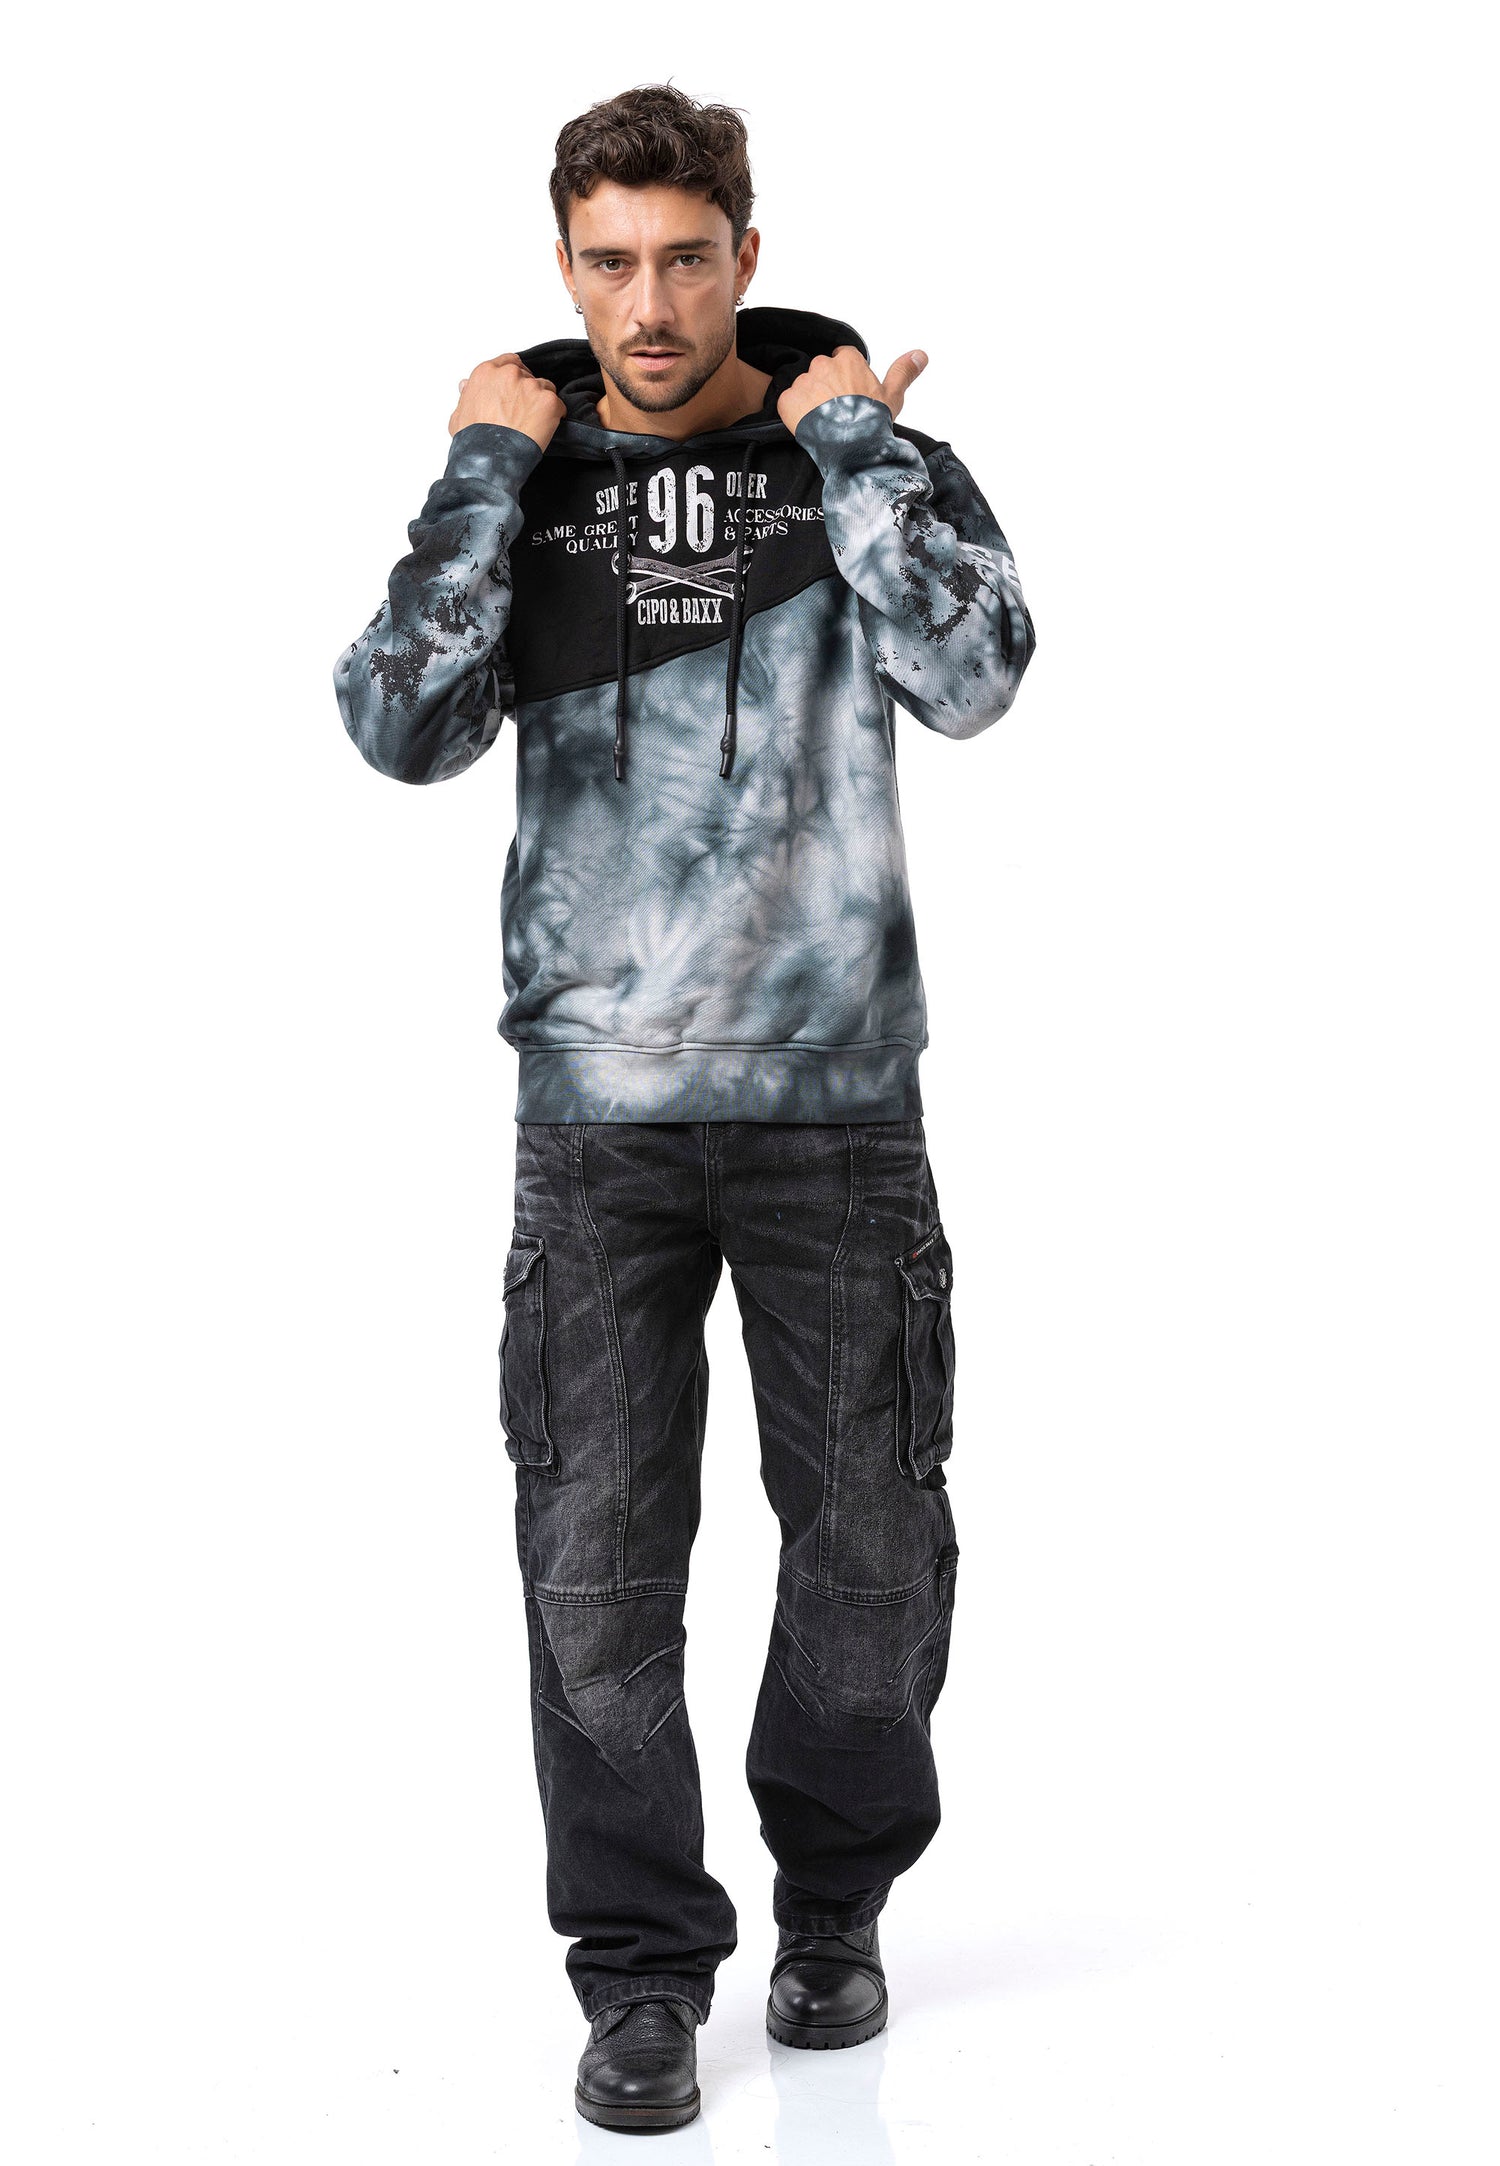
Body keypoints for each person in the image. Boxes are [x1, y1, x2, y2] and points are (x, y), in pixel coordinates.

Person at [334, 81, 1035, 2135]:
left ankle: (836, 1907)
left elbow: (980, 676)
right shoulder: (527, 479)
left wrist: (859, 449)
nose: (649, 305)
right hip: (598, 1122)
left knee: (875, 1559)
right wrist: (480, 466)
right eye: (610, 263)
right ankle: (641, 1969)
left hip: (837, 1106)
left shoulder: (854, 447)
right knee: (594, 1578)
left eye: (686, 258)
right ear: (565, 266)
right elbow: (397, 725)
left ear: (746, 250)